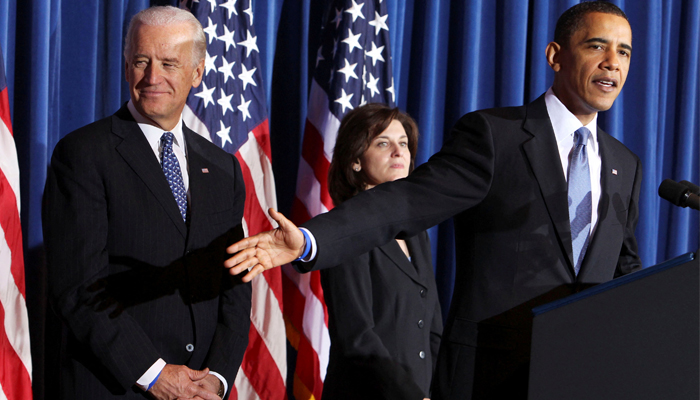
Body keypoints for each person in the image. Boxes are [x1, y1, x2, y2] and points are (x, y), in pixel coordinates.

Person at [226, 2, 642, 399]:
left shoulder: (624, 164)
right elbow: (406, 201)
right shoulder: (497, 137)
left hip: (577, 379)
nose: (612, 62)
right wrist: (311, 239)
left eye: (623, 51)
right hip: (489, 380)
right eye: (597, 46)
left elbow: (625, 273)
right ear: (555, 56)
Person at [42, 6, 250, 400]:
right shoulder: (83, 154)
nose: (153, 77)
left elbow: (235, 287)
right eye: (141, 61)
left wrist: (217, 379)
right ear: (126, 68)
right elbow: (77, 288)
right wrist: (154, 374)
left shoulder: (224, 168)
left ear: (197, 73)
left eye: (169, 63)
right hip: (114, 387)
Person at [320, 104, 442, 400]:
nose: (399, 152)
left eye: (404, 144)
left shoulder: (416, 233)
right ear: (355, 160)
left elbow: (432, 327)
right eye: (383, 144)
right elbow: (356, 337)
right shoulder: (344, 230)